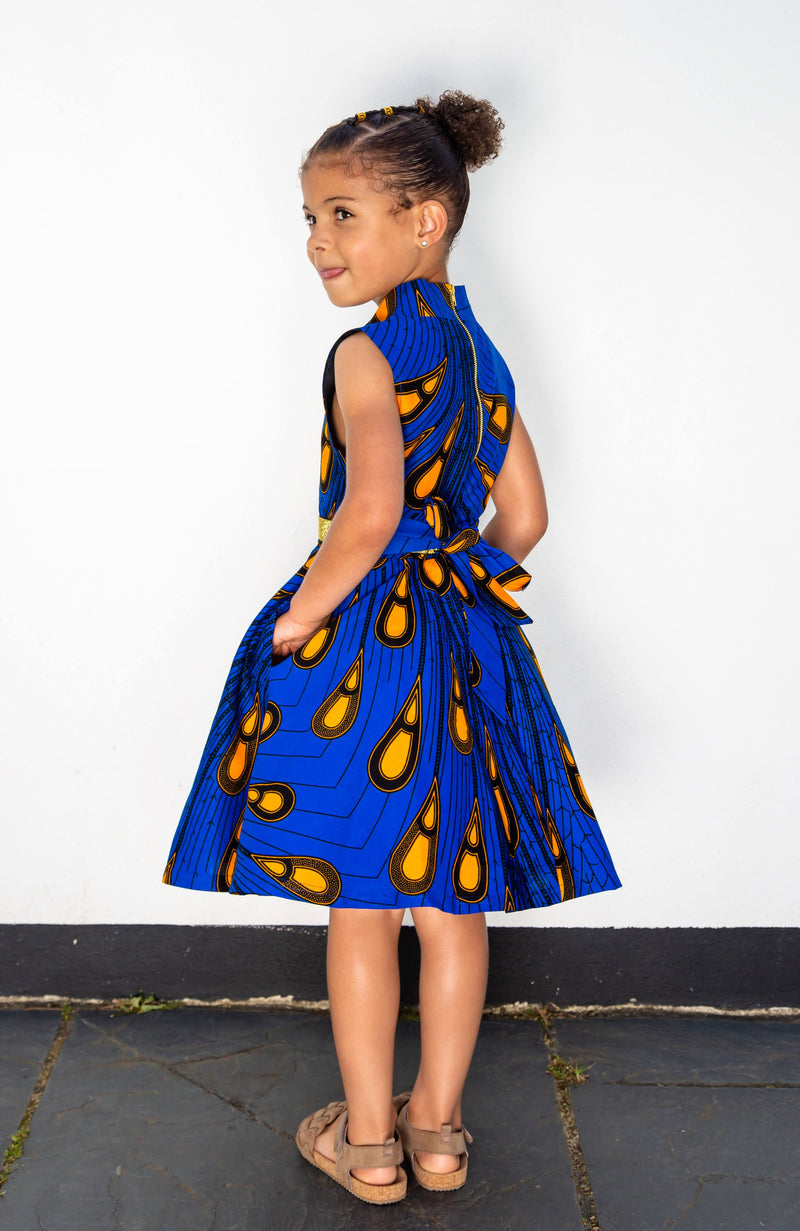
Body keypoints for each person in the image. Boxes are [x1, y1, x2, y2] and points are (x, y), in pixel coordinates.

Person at [162, 89, 622, 1205]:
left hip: (369, 646)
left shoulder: (366, 350)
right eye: (310, 218)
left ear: (426, 219)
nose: (317, 242)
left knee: (363, 896)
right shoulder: (480, 353)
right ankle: (438, 1136)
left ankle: (368, 1145)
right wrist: (455, 569)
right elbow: (525, 520)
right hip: (462, 642)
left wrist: (300, 616)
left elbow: (367, 514)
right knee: (453, 902)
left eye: (341, 214)